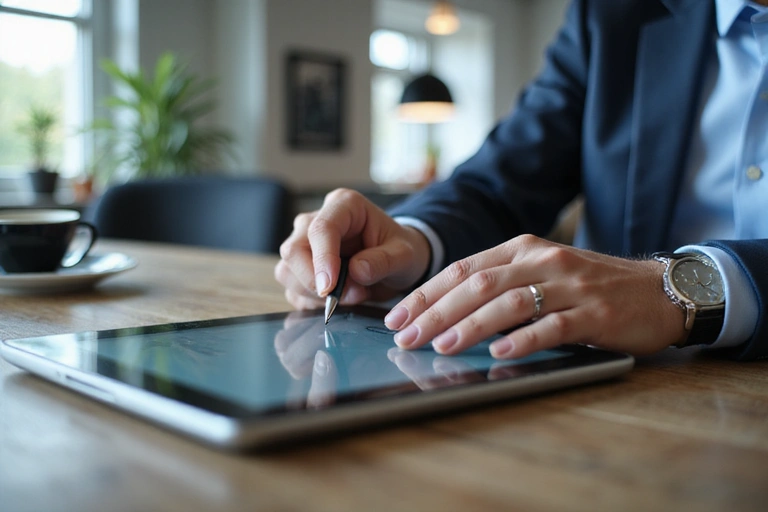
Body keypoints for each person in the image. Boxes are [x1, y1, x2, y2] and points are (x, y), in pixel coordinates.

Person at [276, 0, 768, 362]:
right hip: (616, 386)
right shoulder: (613, 15)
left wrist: (675, 290)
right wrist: (410, 240)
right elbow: (498, 180)